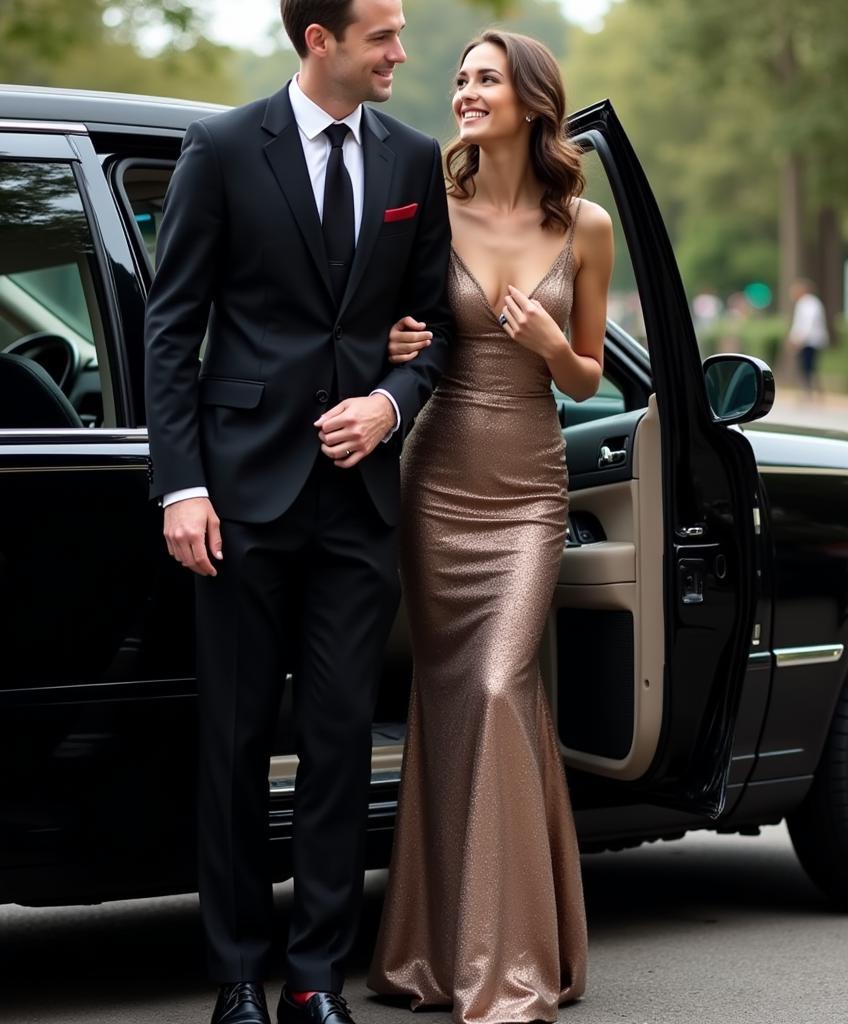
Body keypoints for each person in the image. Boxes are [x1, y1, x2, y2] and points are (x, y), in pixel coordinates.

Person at [143, 1, 454, 1022]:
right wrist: (181, 486)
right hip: (237, 502)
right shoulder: (224, 146)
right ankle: (236, 973)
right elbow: (172, 323)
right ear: (317, 38)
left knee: (335, 744)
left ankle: (316, 978)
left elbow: (436, 330)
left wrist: (389, 404)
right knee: (232, 746)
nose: (400, 56)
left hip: (356, 507)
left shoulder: (412, 162)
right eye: (382, 36)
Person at [368, 30, 614, 1024]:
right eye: (461, 78)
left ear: (531, 102)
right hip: (438, 476)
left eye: (484, 78)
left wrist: (556, 344)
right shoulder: (433, 206)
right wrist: (388, 339)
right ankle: (438, 952)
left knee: (501, 681)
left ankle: (510, 962)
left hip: (526, 487)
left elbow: (589, 375)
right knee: (453, 697)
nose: (464, 92)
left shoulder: (587, 226)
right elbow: (389, 331)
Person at [786, 278, 828, 398]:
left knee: (808, 366)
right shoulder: (804, 303)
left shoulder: (809, 303)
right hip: (807, 340)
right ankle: (810, 391)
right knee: (807, 366)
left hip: (810, 341)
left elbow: (808, 323)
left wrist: (799, 339)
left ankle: (810, 391)